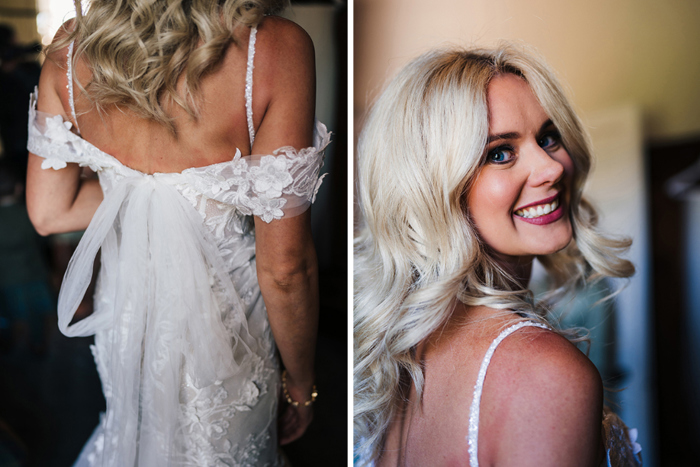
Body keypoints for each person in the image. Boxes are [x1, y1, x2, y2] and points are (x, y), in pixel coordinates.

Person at [25, 0, 329, 465]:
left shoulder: (68, 52)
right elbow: (285, 267)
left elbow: (50, 211)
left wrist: (146, 191)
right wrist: (302, 384)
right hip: (232, 328)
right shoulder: (273, 47)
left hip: (129, 316)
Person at [354, 46, 642, 466]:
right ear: (434, 189)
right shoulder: (545, 374)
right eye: (500, 153)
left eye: (548, 137)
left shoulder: (406, 356)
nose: (552, 167)